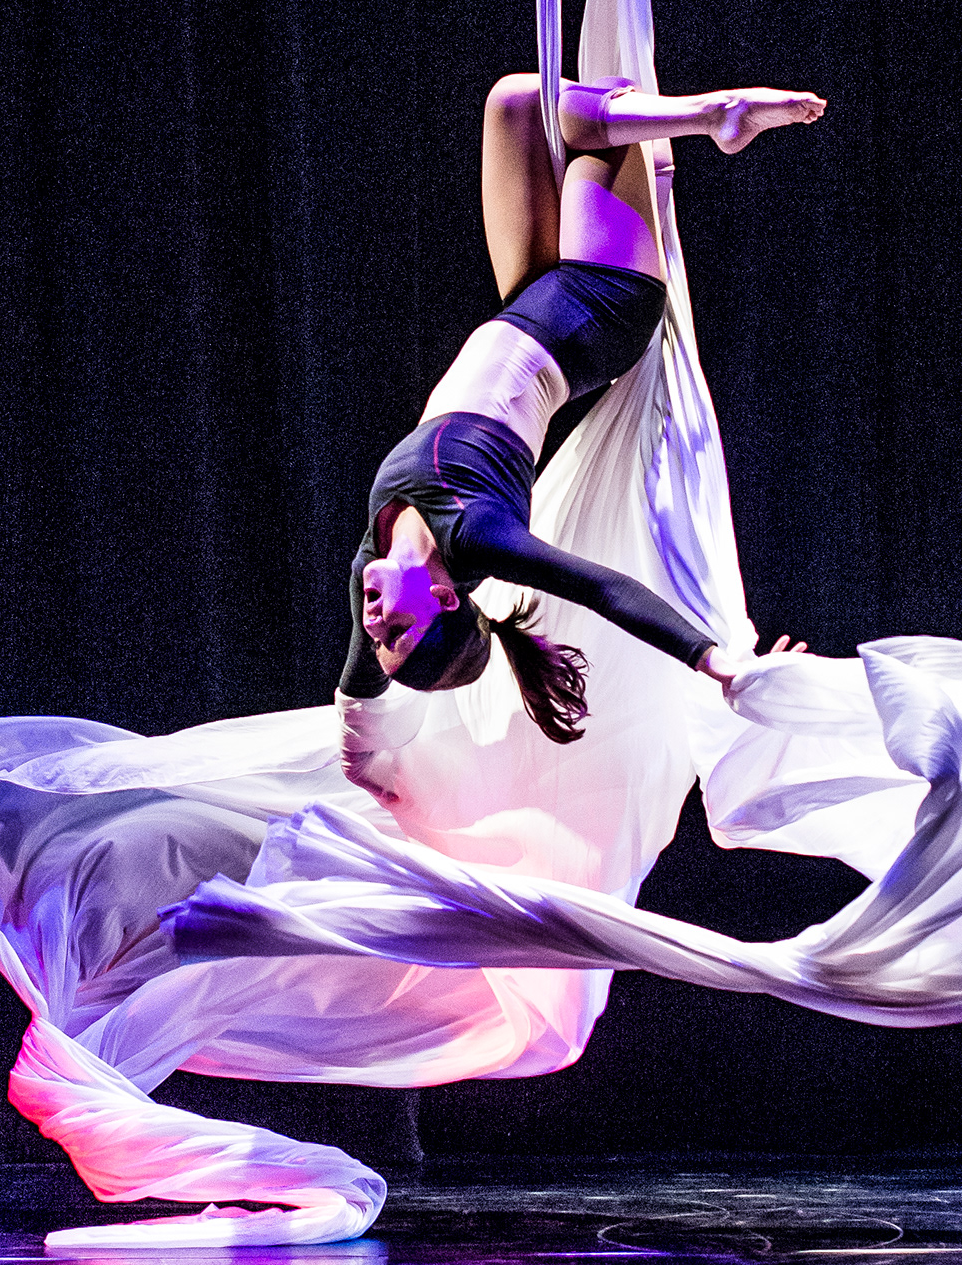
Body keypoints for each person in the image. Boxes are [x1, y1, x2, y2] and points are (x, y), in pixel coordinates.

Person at [335, 71, 822, 804]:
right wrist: (712, 660)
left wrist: (370, 776)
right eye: (395, 628)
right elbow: (604, 590)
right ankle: (719, 117)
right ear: (444, 597)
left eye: (376, 635)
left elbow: (357, 701)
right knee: (592, 127)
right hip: (603, 305)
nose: (372, 622)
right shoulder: (477, 536)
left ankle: (669, 117)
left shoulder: (371, 561)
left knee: (511, 101)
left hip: (528, 297)